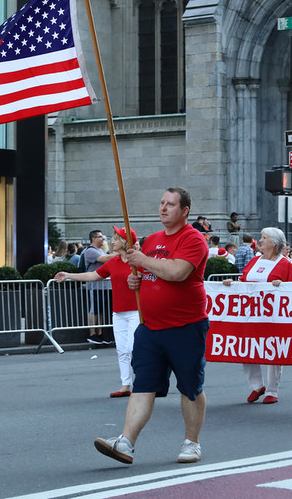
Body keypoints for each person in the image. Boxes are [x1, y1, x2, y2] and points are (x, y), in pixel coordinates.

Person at [94, 187, 208, 465]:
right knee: (142, 385)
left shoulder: (193, 239)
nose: (163, 208)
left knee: (190, 386)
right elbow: (148, 275)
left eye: (170, 204)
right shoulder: (152, 240)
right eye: (161, 203)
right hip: (150, 327)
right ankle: (125, 442)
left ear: (184, 211)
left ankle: (191, 443)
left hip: (185, 326)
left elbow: (177, 272)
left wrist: (142, 261)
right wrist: (137, 280)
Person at [55, 226, 139, 398]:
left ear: (124, 242)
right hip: (119, 312)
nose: (112, 241)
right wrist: (68, 275)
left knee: (132, 348)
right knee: (122, 350)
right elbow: (93, 276)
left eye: (115, 238)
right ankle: (126, 385)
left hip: (137, 312)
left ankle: (144, 382)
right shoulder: (113, 263)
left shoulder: (138, 261)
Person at [222, 227, 292, 404]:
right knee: (246, 347)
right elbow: (244, 281)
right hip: (250, 314)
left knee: (273, 350)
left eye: (264, 238)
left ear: (274, 243)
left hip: (274, 315)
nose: (260, 240)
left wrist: (282, 286)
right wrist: (232, 283)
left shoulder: (285, 263)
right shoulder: (255, 260)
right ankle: (257, 385)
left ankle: (272, 390)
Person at [84, 230, 114, 344]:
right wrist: (121, 253)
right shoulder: (91, 251)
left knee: (100, 310)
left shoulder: (101, 250)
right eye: (100, 237)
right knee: (94, 310)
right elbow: (105, 259)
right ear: (93, 239)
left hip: (104, 286)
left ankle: (100, 333)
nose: (103, 239)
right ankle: (92, 334)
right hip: (95, 285)